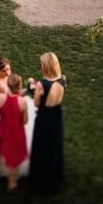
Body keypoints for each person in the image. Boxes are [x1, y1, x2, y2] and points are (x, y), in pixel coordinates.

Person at [29, 52, 67, 195]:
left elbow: (37, 103)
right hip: (57, 113)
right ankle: (56, 175)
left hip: (45, 116)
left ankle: (41, 180)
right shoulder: (63, 80)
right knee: (54, 145)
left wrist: (33, 89)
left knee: (42, 146)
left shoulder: (41, 84)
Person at [0, 73, 28, 191]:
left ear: (8, 85)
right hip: (16, 133)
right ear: (19, 85)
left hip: (2, 130)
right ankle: (12, 182)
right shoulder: (22, 102)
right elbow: (24, 121)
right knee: (15, 158)